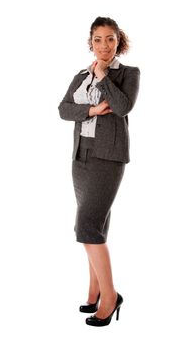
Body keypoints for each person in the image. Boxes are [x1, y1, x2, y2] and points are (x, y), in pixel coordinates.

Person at [58, 16, 140, 327]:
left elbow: (122, 107)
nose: (104, 45)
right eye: (98, 40)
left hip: (108, 157)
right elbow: (64, 109)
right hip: (81, 156)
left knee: (87, 226)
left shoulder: (128, 73)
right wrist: (91, 109)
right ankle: (93, 290)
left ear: (119, 41)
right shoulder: (81, 75)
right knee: (95, 226)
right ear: (90, 42)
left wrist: (104, 76)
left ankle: (110, 296)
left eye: (110, 39)